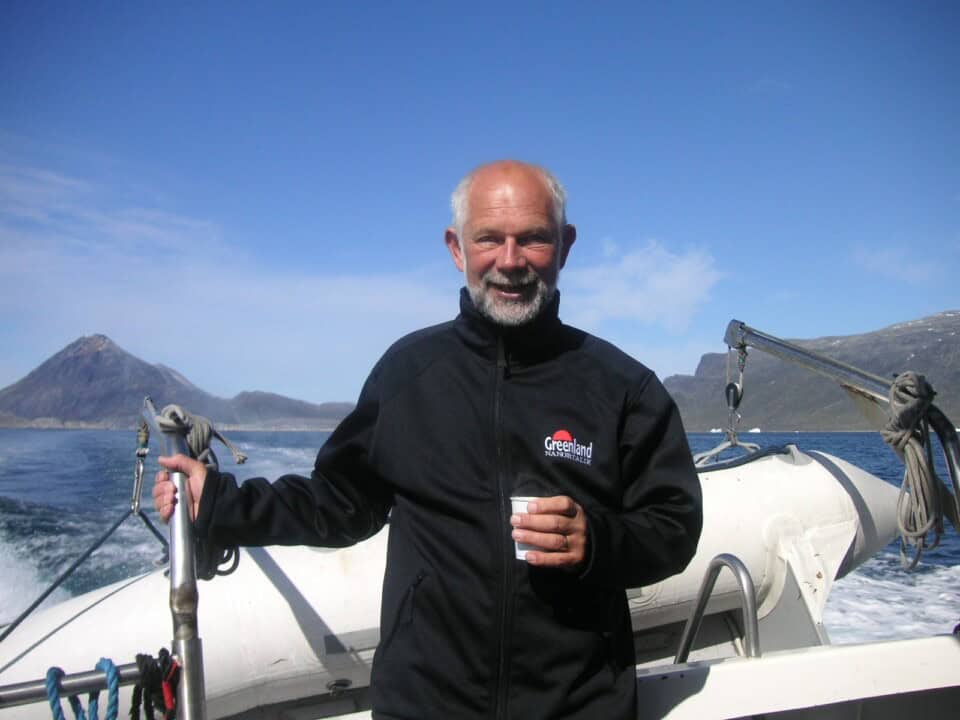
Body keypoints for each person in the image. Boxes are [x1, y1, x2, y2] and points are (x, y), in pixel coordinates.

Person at [154, 160, 703, 720]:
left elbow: (675, 524)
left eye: (533, 238)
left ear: (564, 246)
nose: (510, 260)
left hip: (578, 705)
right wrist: (220, 501)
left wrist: (597, 541)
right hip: (425, 703)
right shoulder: (408, 373)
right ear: (457, 248)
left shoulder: (621, 388)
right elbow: (340, 502)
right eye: (489, 238)